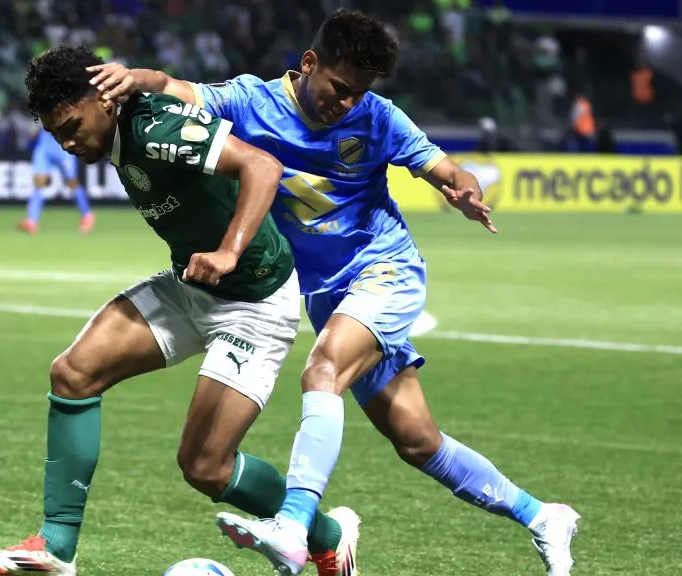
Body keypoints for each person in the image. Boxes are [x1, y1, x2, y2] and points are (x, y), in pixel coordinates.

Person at [90, 9, 579, 576]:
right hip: (325, 297)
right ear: (309, 63)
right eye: (339, 88)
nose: (346, 103)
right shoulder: (251, 101)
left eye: (358, 94)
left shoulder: (379, 118)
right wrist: (133, 75)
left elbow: (450, 171)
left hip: (384, 271)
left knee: (322, 371)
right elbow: (174, 88)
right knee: (417, 441)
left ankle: (293, 527)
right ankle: (544, 516)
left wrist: (463, 192)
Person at [0, 45, 360, 576]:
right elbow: (160, 82)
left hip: (253, 302)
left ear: (105, 100)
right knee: (73, 373)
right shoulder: (118, 121)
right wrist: (140, 76)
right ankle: (56, 546)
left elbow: (262, 167)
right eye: (56, 133)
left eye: (73, 125)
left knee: (204, 467)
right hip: (190, 286)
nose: (67, 142)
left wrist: (229, 250)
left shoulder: (153, 128)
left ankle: (330, 536)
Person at [21, 127, 95, 235]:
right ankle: (32, 221)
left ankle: (87, 215)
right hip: (45, 145)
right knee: (39, 182)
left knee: (72, 182)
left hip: (61, 145)